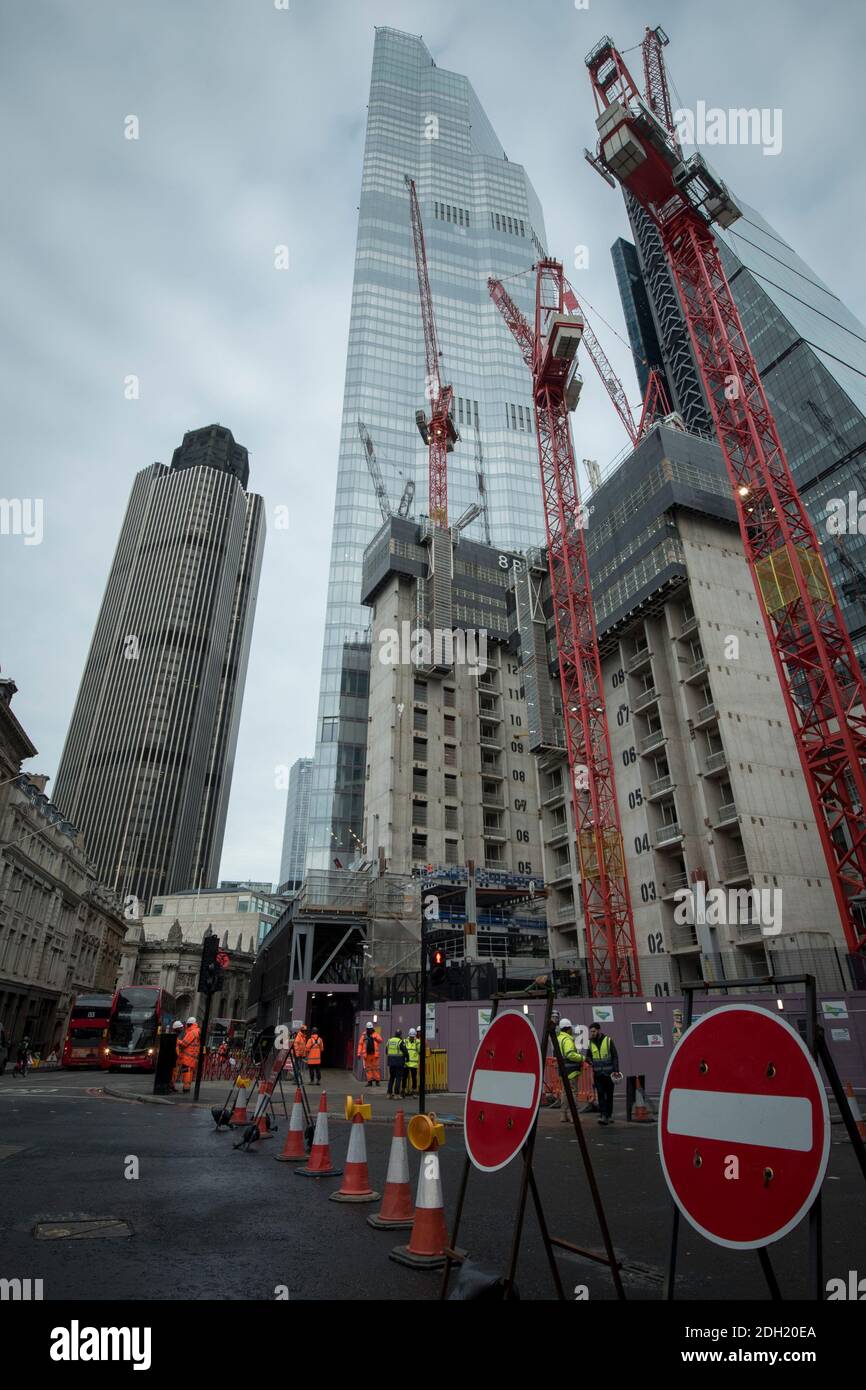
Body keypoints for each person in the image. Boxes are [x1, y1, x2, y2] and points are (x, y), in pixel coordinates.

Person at [586, 1022, 621, 1126]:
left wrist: (616, 1070)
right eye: (591, 1031)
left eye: (594, 1031)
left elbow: (615, 1056)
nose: (592, 1033)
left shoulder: (608, 1041)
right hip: (598, 1074)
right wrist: (589, 1061)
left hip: (609, 1073)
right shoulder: (590, 1042)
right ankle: (603, 1115)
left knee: (609, 1095)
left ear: (598, 1030)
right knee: (601, 1094)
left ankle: (609, 1115)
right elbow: (588, 1056)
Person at [556, 1019, 584, 1124]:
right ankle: (575, 1116)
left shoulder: (559, 1038)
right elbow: (570, 1054)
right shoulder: (567, 1040)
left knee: (565, 1092)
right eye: (570, 1028)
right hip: (571, 1071)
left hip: (563, 1070)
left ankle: (563, 1115)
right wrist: (583, 1058)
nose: (572, 1030)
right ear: (567, 1029)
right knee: (573, 1092)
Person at [177, 1016, 201, 1094]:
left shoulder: (191, 1032)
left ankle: (186, 1087)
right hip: (193, 1056)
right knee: (189, 1071)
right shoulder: (197, 1031)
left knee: (186, 1071)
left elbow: (184, 1043)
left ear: (190, 1024)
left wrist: (177, 1041)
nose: (186, 1026)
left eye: (187, 1024)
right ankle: (187, 1087)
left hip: (188, 1056)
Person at [357, 1021, 382, 1087]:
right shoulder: (364, 1035)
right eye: (368, 1029)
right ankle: (369, 1081)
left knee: (376, 1068)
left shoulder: (376, 1034)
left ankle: (377, 1081)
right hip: (367, 1055)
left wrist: (375, 1037)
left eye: (370, 1028)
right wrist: (359, 1053)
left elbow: (380, 1040)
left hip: (374, 1055)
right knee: (368, 1069)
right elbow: (360, 1045)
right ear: (366, 1029)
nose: (369, 1030)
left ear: (372, 1028)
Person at [385, 1028, 408, 1098]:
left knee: (392, 1077)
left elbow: (386, 1051)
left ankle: (389, 1093)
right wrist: (407, 1059)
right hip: (399, 1062)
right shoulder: (400, 1042)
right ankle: (396, 1094)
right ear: (400, 1035)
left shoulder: (389, 1041)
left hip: (391, 1062)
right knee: (398, 1078)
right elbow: (405, 1052)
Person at [403, 1027, 421, 1096]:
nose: (412, 1038)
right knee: (404, 1078)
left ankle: (414, 1091)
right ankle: (403, 1090)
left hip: (413, 1064)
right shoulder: (405, 1041)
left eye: (413, 1037)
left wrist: (418, 1044)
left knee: (414, 1078)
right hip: (406, 1063)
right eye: (411, 1036)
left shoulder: (417, 1042)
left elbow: (419, 1051)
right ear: (409, 1035)